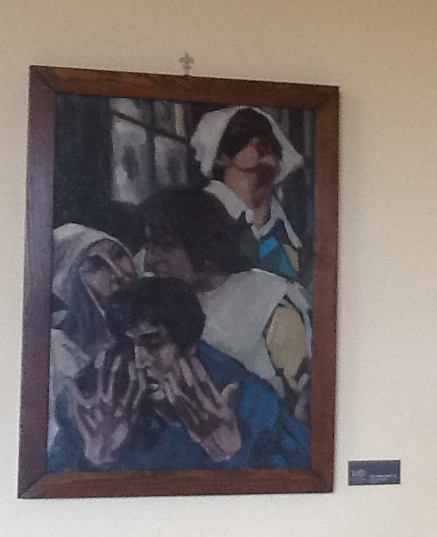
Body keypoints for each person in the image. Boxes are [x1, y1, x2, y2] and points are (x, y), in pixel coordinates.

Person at [47, 277, 310, 472]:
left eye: (154, 344)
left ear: (189, 345)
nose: (140, 361)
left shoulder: (249, 398)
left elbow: (299, 477)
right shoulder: (90, 402)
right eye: (127, 345)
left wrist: (232, 455)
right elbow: (54, 486)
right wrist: (94, 460)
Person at [138, 188, 313, 425]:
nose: (150, 260)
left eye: (166, 247)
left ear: (203, 243)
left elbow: (304, 404)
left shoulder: (271, 301)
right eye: (148, 247)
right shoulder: (154, 306)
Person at [190, 106, 306, 280]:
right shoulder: (199, 215)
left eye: (267, 136)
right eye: (243, 136)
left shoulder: (288, 226)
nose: (259, 143)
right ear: (220, 157)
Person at [49, 223, 137, 450]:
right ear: (71, 285)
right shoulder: (57, 350)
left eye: (118, 255)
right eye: (96, 267)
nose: (118, 274)